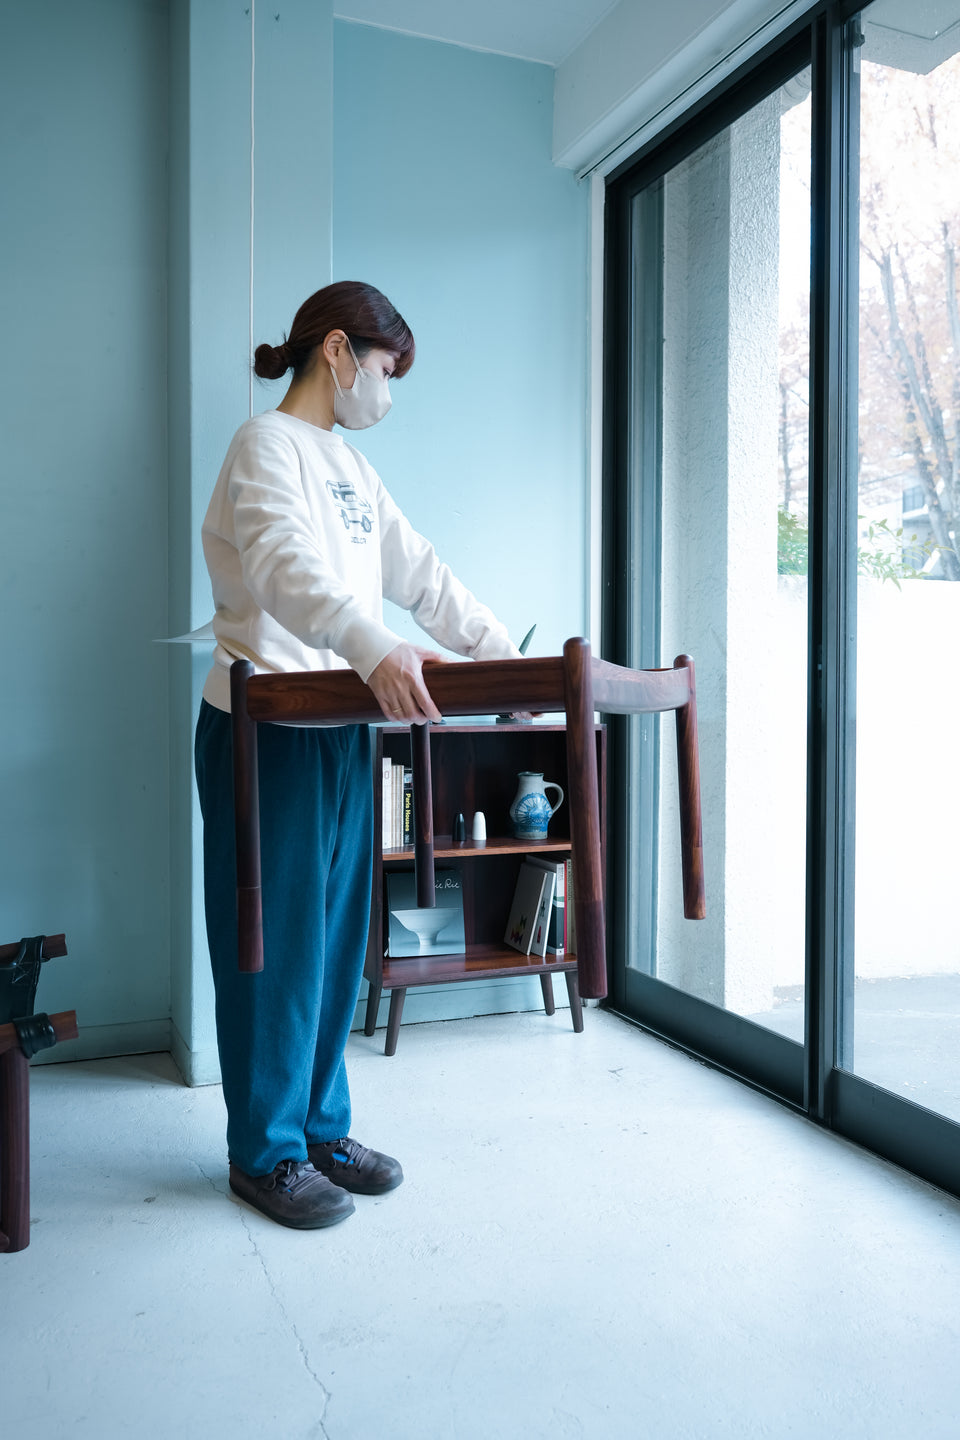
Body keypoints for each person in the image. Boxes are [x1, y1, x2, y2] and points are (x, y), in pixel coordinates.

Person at [194, 281, 519, 1230]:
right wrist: (369, 643)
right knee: (275, 946)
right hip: (269, 729)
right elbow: (283, 570)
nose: (386, 390)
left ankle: (322, 1127)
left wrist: (508, 658)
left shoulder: (350, 467)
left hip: (343, 727)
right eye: (383, 370)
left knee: (338, 941)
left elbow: (421, 571)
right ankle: (264, 1151)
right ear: (336, 352)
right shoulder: (264, 448)